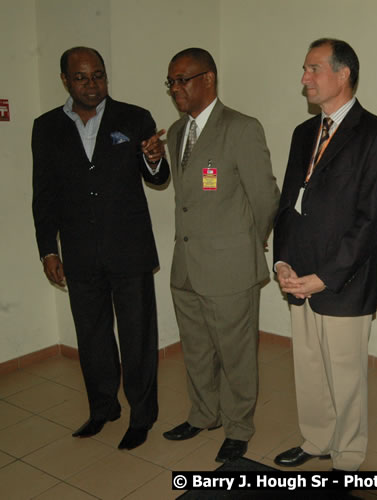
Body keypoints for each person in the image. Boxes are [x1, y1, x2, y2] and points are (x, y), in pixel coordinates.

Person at [272, 38, 377, 472]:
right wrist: (282, 262)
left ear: (343, 74)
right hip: (298, 275)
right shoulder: (302, 133)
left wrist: (325, 276)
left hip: (345, 278)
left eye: (313, 69)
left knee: (345, 378)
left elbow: (372, 221)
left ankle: (347, 458)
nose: (304, 78)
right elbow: (288, 204)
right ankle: (316, 439)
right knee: (308, 369)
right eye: (304, 69)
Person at [32, 46, 168, 450]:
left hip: (129, 251)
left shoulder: (135, 116)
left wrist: (155, 160)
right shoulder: (46, 127)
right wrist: (47, 249)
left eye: (98, 76)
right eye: (82, 77)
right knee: (91, 337)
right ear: (65, 81)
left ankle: (142, 416)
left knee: (137, 337)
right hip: (79, 253)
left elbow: (156, 178)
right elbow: (44, 194)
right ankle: (102, 407)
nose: (92, 85)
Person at [161, 48, 279, 464]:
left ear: (209, 79)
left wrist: (251, 241)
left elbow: (265, 197)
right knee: (195, 348)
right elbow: (188, 199)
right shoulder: (176, 134)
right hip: (187, 266)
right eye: (171, 82)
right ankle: (203, 415)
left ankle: (239, 427)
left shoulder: (241, 128)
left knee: (236, 352)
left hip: (231, 267)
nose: (176, 88)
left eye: (183, 79)